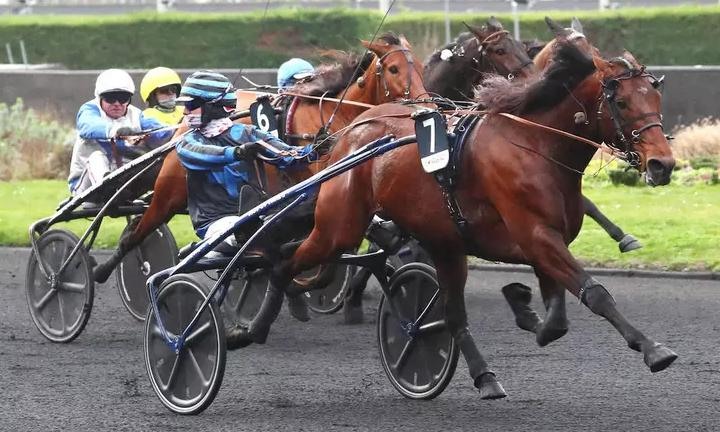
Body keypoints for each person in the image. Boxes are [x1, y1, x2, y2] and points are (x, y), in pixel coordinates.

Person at [174, 70, 316, 339]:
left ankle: (290, 279)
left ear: (214, 107)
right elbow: (200, 155)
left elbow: (286, 155)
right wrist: (235, 152)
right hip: (215, 222)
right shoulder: (189, 141)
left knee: (299, 205)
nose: (186, 111)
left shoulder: (248, 132)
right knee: (248, 223)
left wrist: (314, 151)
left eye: (191, 105)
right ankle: (227, 319)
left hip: (256, 215)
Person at [68, 68, 172, 195]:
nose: (117, 104)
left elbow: (160, 132)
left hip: (123, 182)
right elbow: (88, 126)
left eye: (123, 98)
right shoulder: (89, 110)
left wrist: (179, 131)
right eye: (110, 98)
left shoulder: (137, 115)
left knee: (154, 159)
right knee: (96, 157)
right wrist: (115, 131)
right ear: (99, 97)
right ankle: (107, 188)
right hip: (86, 187)